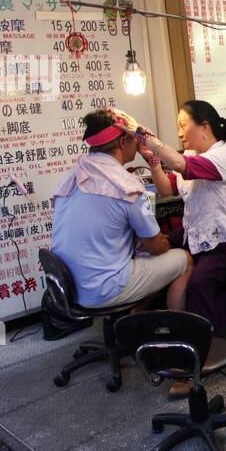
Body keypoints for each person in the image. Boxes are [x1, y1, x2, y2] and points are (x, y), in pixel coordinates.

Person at [125, 101, 226, 352]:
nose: (180, 133)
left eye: (183, 126)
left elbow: (183, 167)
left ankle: (208, 348)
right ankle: (153, 325)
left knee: (200, 283)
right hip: (196, 232)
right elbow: (165, 188)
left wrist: (146, 137)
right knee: (149, 248)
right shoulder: (192, 156)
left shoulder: (223, 155)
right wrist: (152, 160)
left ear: (204, 126)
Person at [50, 110, 190, 311]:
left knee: (144, 257)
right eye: (134, 138)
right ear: (124, 141)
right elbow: (156, 246)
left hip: (69, 286)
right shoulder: (126, 186)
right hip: (103, 288)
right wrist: (168, 241)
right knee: (184, 259)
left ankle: (134, 320)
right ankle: (180, 330)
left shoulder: (74, 175)